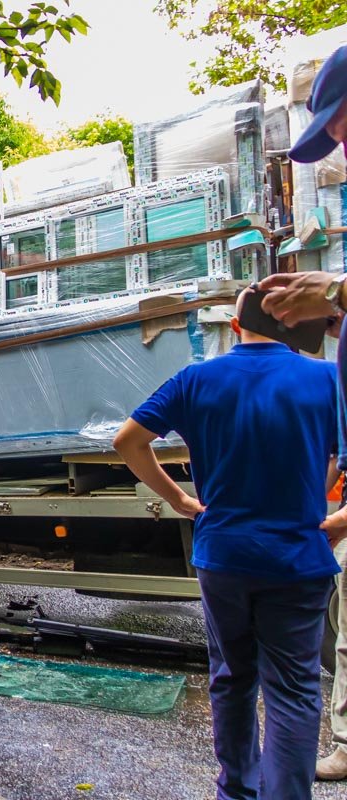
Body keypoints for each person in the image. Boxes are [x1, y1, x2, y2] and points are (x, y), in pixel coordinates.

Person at [113, 287, 339, 800]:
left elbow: (128, 440)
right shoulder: (327, 379)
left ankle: (237, 790)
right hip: (298, 559)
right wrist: (329, 505)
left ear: (234, 329)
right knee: (295, 690)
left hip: (224, 555)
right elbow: (333, 458)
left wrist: (177, 499)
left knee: (233, 678)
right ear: (288, 325)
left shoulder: (197, 379)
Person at [253, 43, 347, 783]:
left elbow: (132, 438)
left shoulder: (211, 386)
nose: (339, 146)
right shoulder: (310, 381)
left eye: (343, 124)